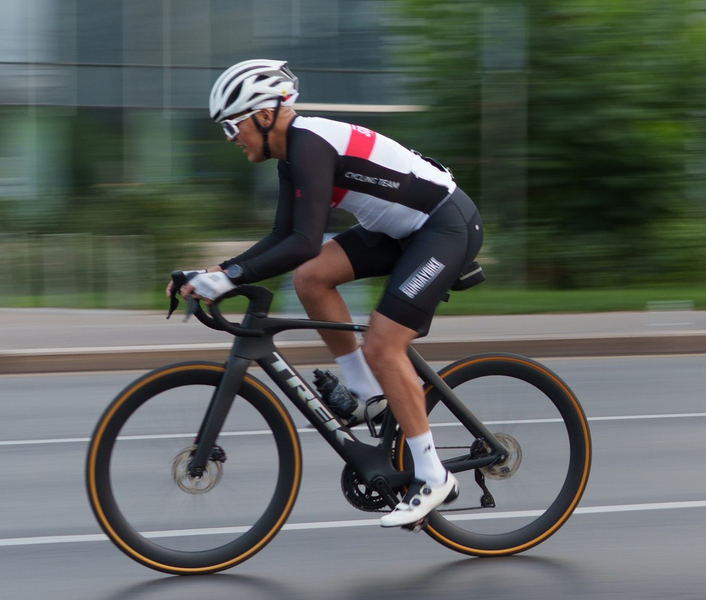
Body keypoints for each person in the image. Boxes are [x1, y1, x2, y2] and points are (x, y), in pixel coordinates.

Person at [171, 59, 481, 528]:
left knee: (383, 344)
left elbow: (304, 241)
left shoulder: (310, 144)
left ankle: (433, 476)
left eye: (232, 126)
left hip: (444, 226)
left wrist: (229, 278)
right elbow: (283, 237)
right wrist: (215, 272)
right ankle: (367, 394)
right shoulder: (292, 157)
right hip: (400, 230)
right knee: (310, 277)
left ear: (265, 115)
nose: (230, 138)